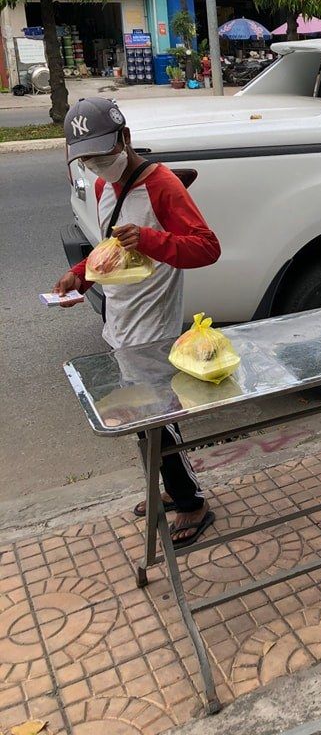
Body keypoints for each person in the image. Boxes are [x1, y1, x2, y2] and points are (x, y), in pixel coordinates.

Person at [54, 96, 221, 547]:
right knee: (140, 415)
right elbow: (109, 250)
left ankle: (191, 502)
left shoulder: (162, 185)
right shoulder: (103, 187)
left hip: (153, 327)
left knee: (157, 417)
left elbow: (207, 247)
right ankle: (169, 487)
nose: (96, 165)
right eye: (86, 158)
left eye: (103, 153)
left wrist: (149, 239)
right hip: (120, 320)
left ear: (125, 139)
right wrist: (80, 277)